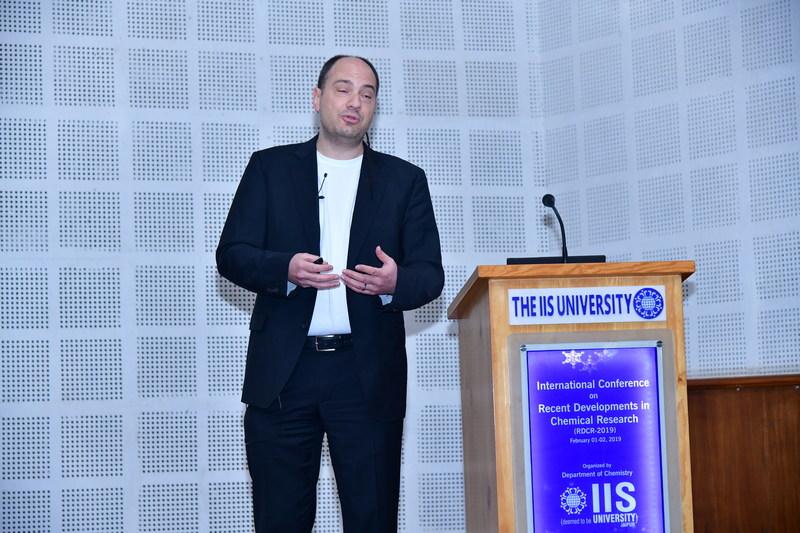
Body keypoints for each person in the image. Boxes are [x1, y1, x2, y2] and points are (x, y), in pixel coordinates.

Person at [216, 55, 444, 532]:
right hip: (285, 373)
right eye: (343, 89)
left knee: (371, 518)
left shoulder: (404, 180)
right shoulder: (270, 169)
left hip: (366, 375)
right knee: (280, 520)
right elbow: (232, 254)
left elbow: (429, 275)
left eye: (367, 94)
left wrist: (394, 283)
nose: (355, 101)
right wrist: (284, 268)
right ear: (317, 98)